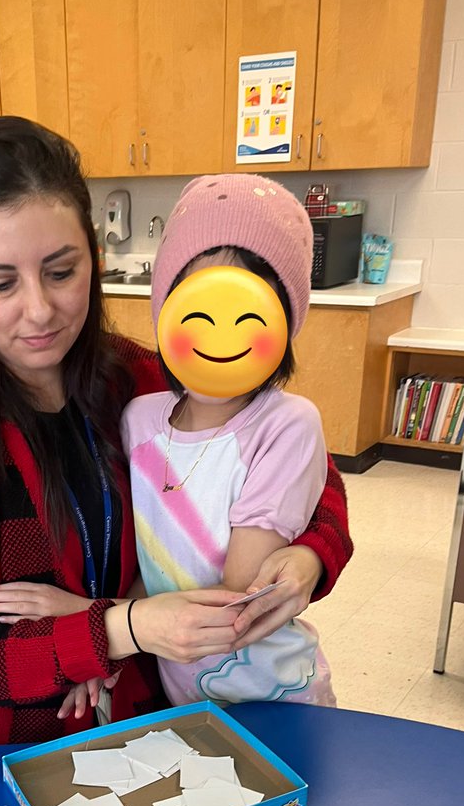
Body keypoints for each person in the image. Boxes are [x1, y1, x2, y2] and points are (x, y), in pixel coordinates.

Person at [0, 117, 351, 746]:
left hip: (155, 717)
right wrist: (128, 629)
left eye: (61, 272)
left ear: (93, 259)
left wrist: (314, 553)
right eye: (0, 283)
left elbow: (298, 463)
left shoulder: (146, 377)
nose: (39, 310)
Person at [121, 174, 335, 707]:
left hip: (276, 696)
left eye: (245, 313)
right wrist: (107, 635)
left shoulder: (288, 425)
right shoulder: (139, 421)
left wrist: (97, 619)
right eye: (199, 308)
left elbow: (238, 595)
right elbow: (150, 566)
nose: (221, 335)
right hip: (183, 698)